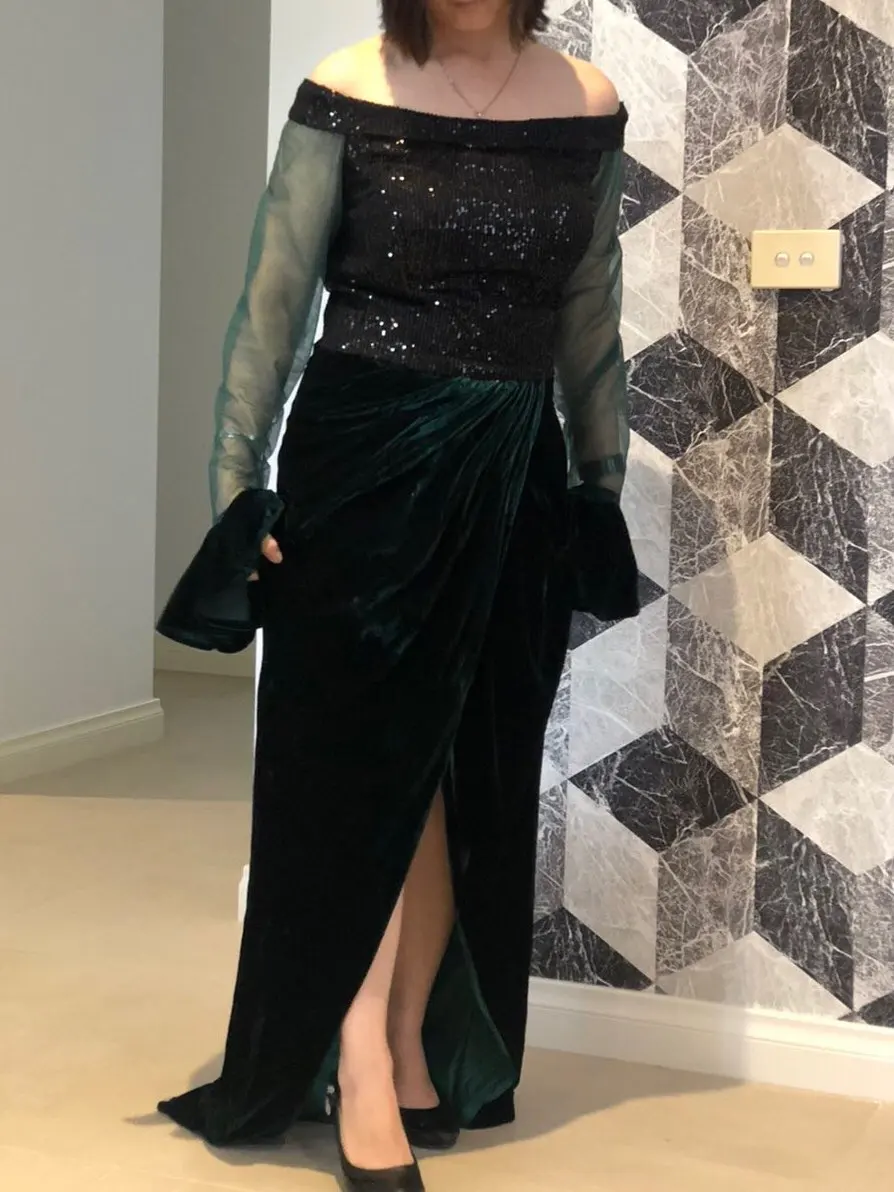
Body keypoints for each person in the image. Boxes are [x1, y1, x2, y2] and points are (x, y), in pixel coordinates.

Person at [157, 1, 638, 1188]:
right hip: (364, 462)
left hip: (513, 474)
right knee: (354, 772)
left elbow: (590, 311)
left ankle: (416, 1036)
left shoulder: (584, 102)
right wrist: (238, 489)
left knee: (461, 772)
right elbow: (274, 304)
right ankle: (360, 1058)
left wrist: (597, 480)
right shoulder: (349, 85)